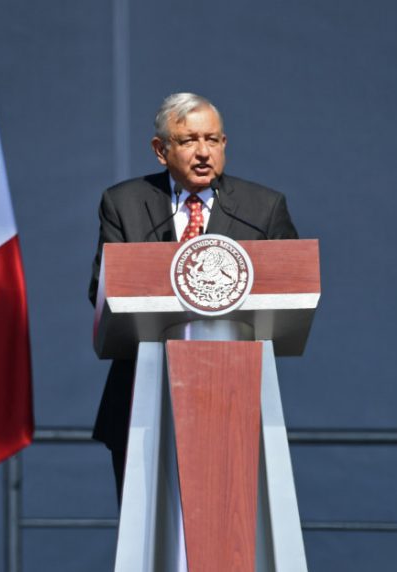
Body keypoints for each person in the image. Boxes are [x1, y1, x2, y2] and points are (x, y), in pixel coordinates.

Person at [88, 92, 298, 498]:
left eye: (213, 140)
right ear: (160, 150)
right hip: (141, 398)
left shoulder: (263, 207)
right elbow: (102, 290)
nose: (203, 153)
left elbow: (289, 289)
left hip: (234, 396)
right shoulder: (124, 203)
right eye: (188, 141)